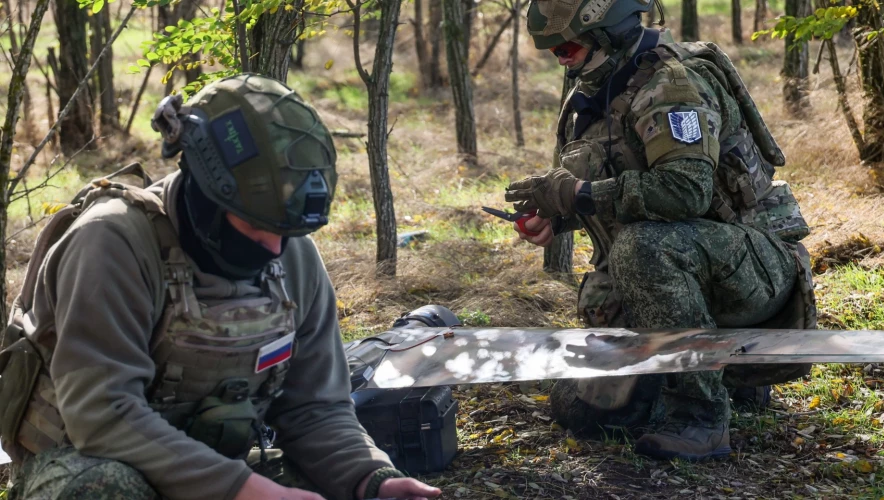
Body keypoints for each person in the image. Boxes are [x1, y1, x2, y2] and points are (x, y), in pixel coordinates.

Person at [0, 74, 441, 500]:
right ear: (206, 193)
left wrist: (371, 478)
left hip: (209, 472)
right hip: (85, 466)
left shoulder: (293, 256)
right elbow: (102, 415)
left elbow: (317, 409)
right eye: (256, 224)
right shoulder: (113, 242)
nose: (274, 248)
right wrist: (243, 490)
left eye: (284, 230)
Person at [504, 0, 817, 461]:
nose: (560, 55)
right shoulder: (594, 91)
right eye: (554, 49)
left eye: (568, 45)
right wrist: (558, 216)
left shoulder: (674, 84)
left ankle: (701, 416)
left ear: (608, 33)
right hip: (673, 272)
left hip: (752, 270)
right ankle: (729, 378)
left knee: (642, 248)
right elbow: (609, 180)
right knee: (581, 409)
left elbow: (685, 192)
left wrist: (579, 194)